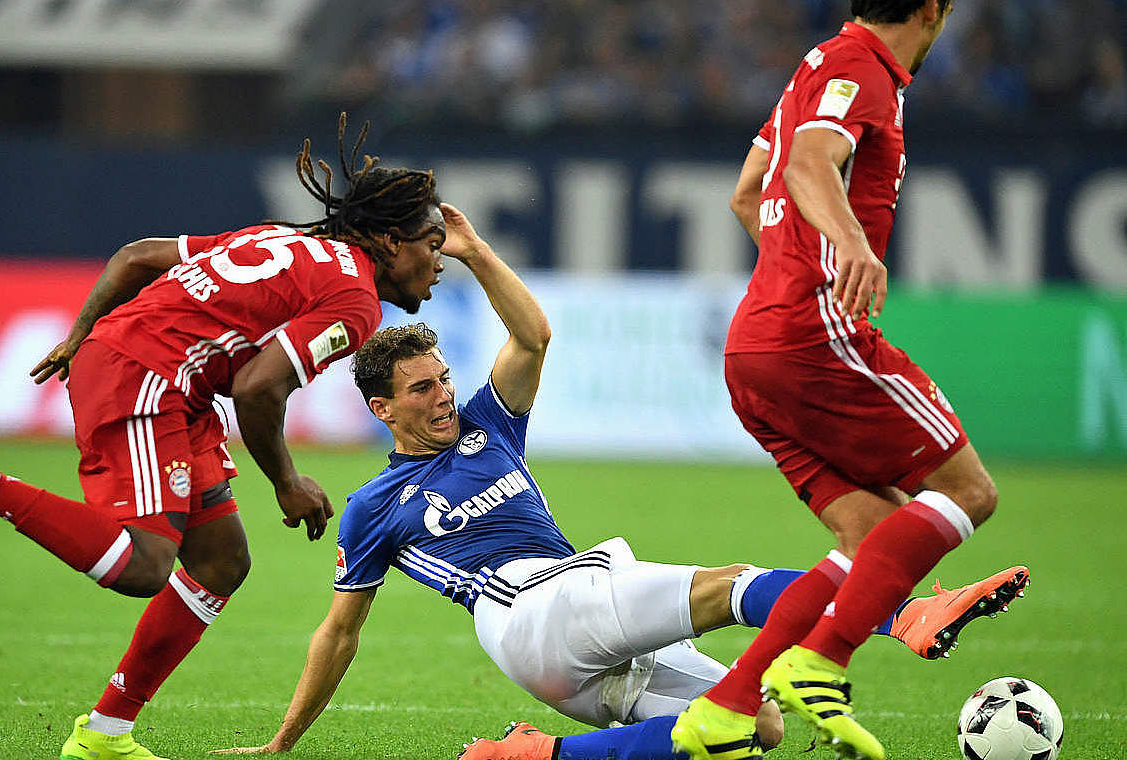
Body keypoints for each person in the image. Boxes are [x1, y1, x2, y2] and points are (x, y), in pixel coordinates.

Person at [210, 206, 1026, 758]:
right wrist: (286, 740)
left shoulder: (488, 428)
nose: (445, 397)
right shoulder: (373, 508)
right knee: (727, 586)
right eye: (422, 390)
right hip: (524, 608)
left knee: (759, 727)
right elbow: (339, 633)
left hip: (569, 630)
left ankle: (543, 754)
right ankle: (904, 611)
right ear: (382, 408)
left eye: (444, 380)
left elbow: (532, 337)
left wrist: (477, 252)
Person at [0, 115, 447, 760]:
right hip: (148, 376)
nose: (438, 264)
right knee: (143, 565)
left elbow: (134, 258)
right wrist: (287, 483)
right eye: (432, 245)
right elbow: (259, 390)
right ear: (389, 240)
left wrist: (80, 336)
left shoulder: (287, 240)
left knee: (220, 561)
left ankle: (106, 732)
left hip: (168, 380)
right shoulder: (354, 298)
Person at [671, 3, 1013, 759]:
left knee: (868, 536)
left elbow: (747, 188)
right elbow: (806, 162)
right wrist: (848, 247)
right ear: (932, 10)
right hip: (812, 336)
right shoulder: (862, 68)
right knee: (968, 492)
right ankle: (822, 659)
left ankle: (727, 704)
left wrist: (793, 265)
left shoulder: (814, 68)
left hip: (751, 346)